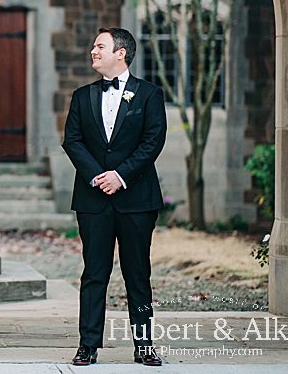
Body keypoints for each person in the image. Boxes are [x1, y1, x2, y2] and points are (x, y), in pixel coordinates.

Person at [62, 28, 167, 367]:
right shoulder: (81, 96)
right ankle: (88, 344)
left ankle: (144, 344)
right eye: (94, 46)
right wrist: (97, 176)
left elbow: (153, 140)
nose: (93, 51)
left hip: (136, 198)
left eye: (100, 46)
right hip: (93, 200)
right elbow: (73, 141)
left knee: (138, 273)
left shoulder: (150, 95)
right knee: (94, 273)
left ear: (120, 53)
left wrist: (120, 176)